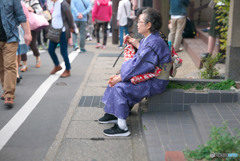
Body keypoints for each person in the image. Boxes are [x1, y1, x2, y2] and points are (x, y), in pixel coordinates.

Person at [98, 8, 172, 137]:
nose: (137, 24)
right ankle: (114, 113)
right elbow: (144, 58)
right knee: (118, 78)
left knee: (120, 86)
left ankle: (122, 127)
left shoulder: (153, 42)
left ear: (148, 25)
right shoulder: (151, 38)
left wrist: (121, 77)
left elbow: (139, 65)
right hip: (152, 76)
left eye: (140, 21)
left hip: (156, 82)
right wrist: (135, 42)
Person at [0, 0, 32, 108]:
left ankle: (9, 94)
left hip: (10, 37)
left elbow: (20, 15)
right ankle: (6, 89)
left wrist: (27, 33)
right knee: (1, 67)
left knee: (9, 65)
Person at [48, 0, 74, 78]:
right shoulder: (54, 4)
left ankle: (68, 69)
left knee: (63, 51)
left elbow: (70, 16)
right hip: (54, 31)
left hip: (63, 31)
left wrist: (71, 27)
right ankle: (57, 65)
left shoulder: (63, 4)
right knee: (50, 49)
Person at [22, 0, 43, 68]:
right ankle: (24, 64)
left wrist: (33, 10)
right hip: (22, 25)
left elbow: (40, 10)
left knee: (32, 44)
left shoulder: (33, 1)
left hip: (32, 25)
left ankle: (37, 57)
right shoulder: (20, 1)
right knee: (22, 45)